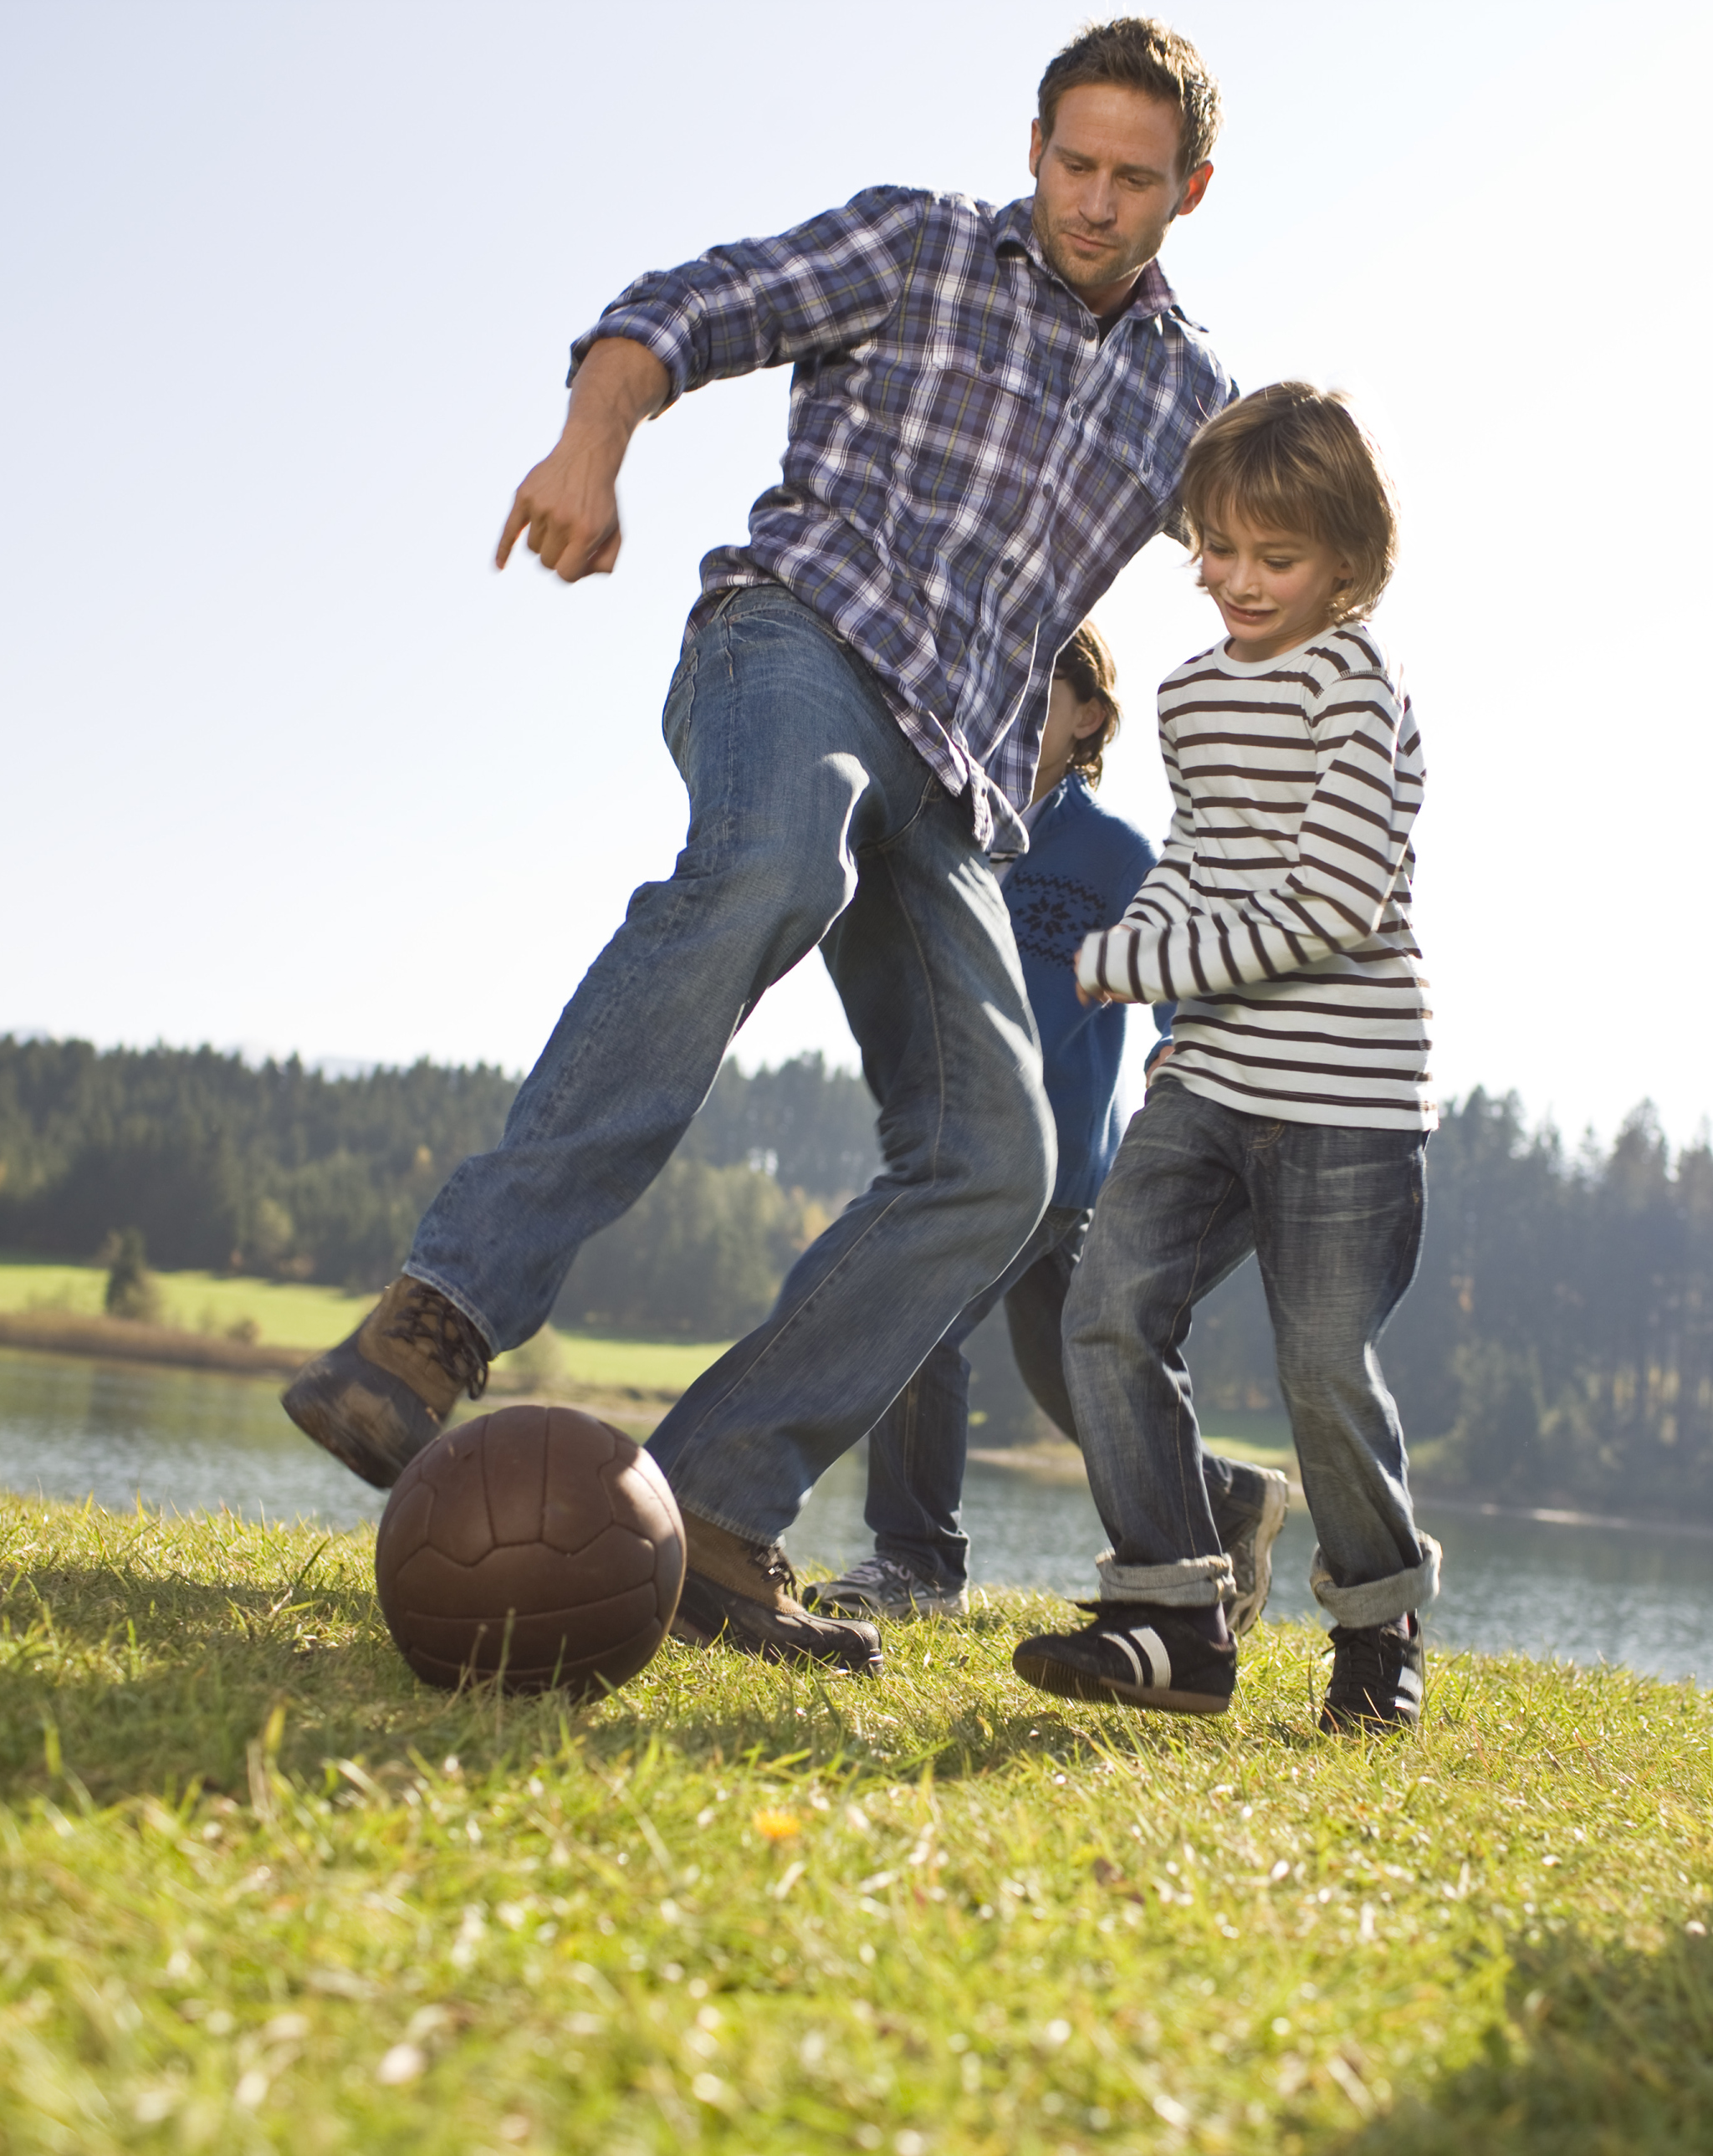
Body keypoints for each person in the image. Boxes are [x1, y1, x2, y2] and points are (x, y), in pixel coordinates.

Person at [279, 20, 1236, 1676]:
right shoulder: (920, 242)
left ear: (1189, 189)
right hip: (793, 641)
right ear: (1033, 150)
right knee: (770, 866)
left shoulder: (1186, 396)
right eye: (1070, 163)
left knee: (998, 1160)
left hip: (955, 776)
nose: (1090, 202)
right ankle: (432, 1316)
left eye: (1130, 179)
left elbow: (1277, 546)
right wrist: (591, 441)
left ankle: (717, 1510)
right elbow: (682, 310)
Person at [1010, 382, 1440, 1734]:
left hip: (1347, 1094)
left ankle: (1378, 1625)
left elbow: (1332, 904)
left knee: (1321, 1362)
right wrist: (1143, 961)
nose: (1240, 582)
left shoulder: (1355, 685)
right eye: (1220, 549)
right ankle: (1172, 1615)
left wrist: (1128, 966)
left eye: (1279, 558)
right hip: (1209, 1079)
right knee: (1107, 1306)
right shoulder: (1194, 699)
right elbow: (1193, 870)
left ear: (1346, 561)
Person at [806, 625, 1296, 1629]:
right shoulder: (952, 829)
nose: (1014, 712)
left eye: (1042, 697)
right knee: (1076, 1373)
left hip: (1057, 1156)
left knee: (917, 1317)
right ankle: (1225, 1499)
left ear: (1090, 720)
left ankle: (916, 1559)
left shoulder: (1113, 855)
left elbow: (1180, 971)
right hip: (959, 1141)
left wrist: (1180, 1049)